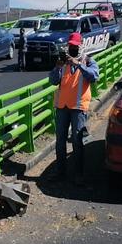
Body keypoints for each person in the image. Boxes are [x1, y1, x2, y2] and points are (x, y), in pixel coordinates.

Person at [48, 32, 99, 183]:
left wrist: (78, 64)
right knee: (60, 141)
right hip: (62, 106)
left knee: (77, 140)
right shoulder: (63, 62)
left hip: (78, 107)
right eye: (71, 46)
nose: (72, 49)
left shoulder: (88, 61)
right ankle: (60, 172)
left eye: (75, 46)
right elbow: (53, 81)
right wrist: (57, 67)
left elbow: (94, 77)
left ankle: (78, 174)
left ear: (80, 46)